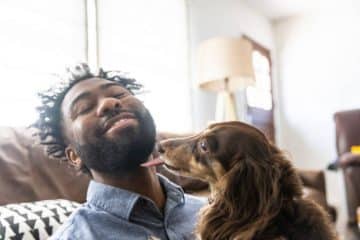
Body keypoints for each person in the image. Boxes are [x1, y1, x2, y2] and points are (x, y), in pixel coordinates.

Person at [33, 63, 205, 240]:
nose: (109, 102)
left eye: (119, 94)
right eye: (84, 108)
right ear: (74, 155)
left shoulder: (218, 213)